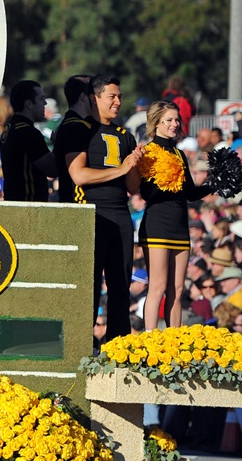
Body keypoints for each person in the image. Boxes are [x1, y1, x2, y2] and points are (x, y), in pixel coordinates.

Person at [67, 75, 144, 340]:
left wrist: (133, 166)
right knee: (90, 283)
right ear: (94, 98)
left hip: (121, 215)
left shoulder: (126, 135)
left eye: (120, 96)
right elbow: (79, 175)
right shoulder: (80, 129)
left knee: (121, 284)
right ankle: (81, 342)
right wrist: (120, 169)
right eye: (111, 96)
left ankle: (118, 344)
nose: (118, 102)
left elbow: (133, 188)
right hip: (91, 213)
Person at [137, 101, 214, 331]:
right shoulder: (148, 152)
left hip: (180, 227)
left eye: (176, 120)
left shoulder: (179, 153)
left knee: (177, 289)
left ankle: (173, 338)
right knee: (157, 287)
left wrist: (214, 183)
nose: (174, 124)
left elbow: (190, 193)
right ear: (156, 123)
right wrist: (165, 181)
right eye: (169, 120)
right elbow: (144, 193)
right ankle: (149, 338)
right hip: (157, 226)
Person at [0, 80, 56, 202]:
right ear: (29, 104)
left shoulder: (10, 127)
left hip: (15, 201)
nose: (45, 103)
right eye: (41, 99)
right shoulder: (27, 132)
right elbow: (52, 169)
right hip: (28, 205)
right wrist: (59, 145)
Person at [53, 75, 94, 205]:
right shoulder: (75, 127)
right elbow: (78, 174)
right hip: (78, 202)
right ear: (83, 97)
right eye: (93, 94)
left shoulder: (71, 124)